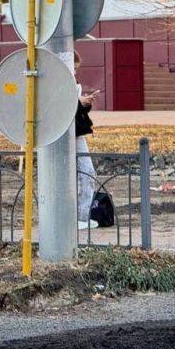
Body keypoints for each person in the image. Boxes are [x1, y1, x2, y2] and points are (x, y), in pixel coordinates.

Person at [74, 51, 98, 230]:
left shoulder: (69, 81)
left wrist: (84, 104)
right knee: (86, 172)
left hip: (75, 131)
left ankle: (81, 216)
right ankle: (81, 216)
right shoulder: (61, 79)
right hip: (71, 134)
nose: (75, 73)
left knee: (86, 173)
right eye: (73, 69)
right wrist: (78, 103)